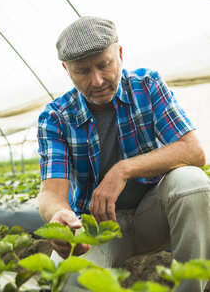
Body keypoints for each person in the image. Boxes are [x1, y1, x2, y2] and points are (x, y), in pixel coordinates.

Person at [37, 16, 210, 292]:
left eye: (104, 65)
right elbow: (51, 191)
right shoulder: (55, 117)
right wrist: (59, 215)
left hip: (153, 216)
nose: (97, 80)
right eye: (82, 71)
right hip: (96, 231)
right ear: (66, 69)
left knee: (193, 183)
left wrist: (123, 169)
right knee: (62, 279)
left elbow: (193, 151)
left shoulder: (147, 85)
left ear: (119, 53)